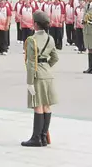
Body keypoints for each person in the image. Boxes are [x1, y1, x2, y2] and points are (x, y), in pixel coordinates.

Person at [21, 9, 58, 147]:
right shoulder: (50, 38)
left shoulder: (31, 40)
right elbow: (55, 57)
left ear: (35, 24)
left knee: (38, 105)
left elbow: (31, 63)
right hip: (47, 73)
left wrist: (29, 82)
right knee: (47, 105)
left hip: (37, 74)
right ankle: (43, 136)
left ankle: (36, 138)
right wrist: (46, 66)